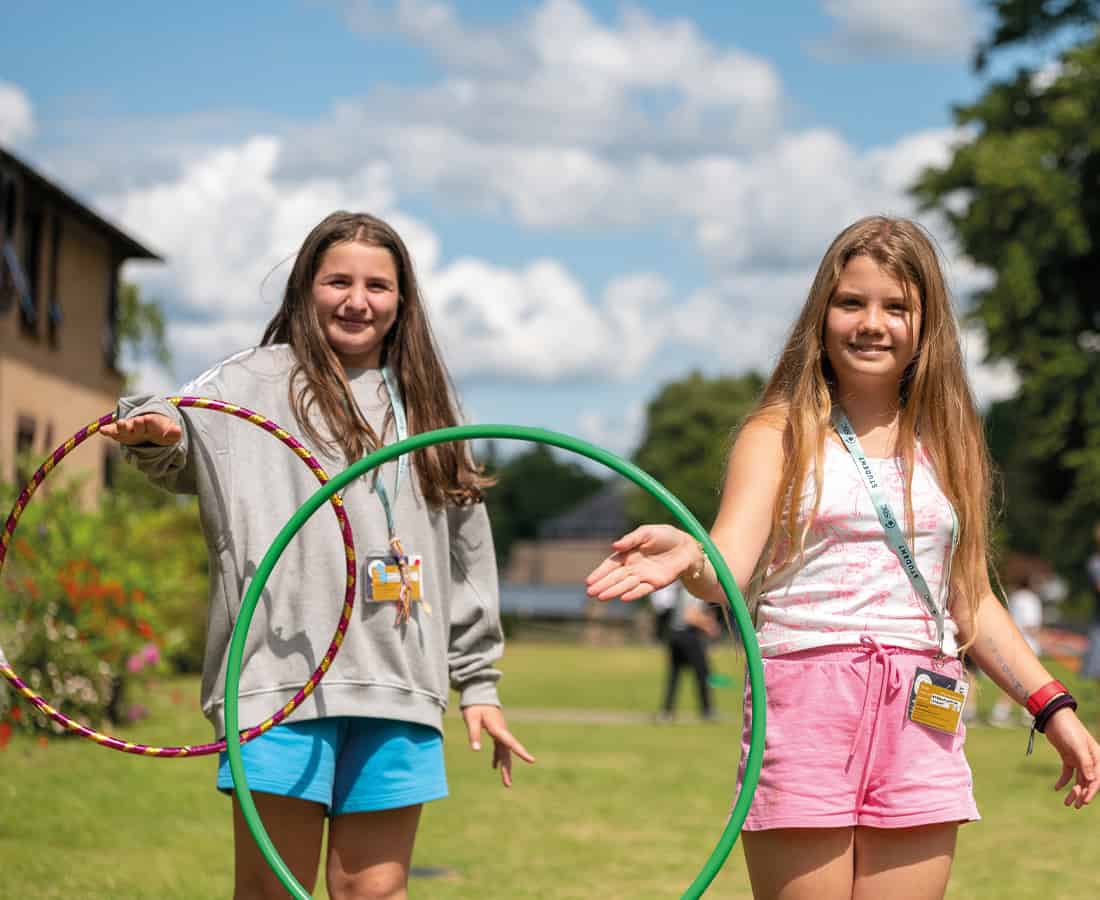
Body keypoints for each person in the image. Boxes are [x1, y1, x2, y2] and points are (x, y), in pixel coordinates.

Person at [586, 216, 1099, 900]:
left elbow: (971, 600)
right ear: (821, 315)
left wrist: (1052, 706)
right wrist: (688, 556)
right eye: (851, 302)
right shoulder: (778, 432)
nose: (871, 323)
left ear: (927, 323)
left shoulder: (952, 442)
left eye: (896, 307)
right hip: (805, 699)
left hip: (925, 704)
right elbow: (726, 571)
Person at [102, 211, 534, 900]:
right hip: (278, 684)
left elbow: (465, 551)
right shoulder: (251, 385)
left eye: (377, 285)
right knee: (274, 891)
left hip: (398, 686)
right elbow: (174, 427)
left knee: (373, 892)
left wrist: (478, 680)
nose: (357, 300)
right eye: (338, 280)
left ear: (402, 301)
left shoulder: (427, 405)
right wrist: (158, 429)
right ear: (307, 287)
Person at [651, 582, 720, 722]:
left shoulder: (684, 588)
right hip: (687, 636)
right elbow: (689, 616)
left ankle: (667, 711)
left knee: (675, 675)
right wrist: (709, 625)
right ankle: (707, 711)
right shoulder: (692, 590)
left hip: (675, 635)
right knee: (702, 672)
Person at [990, 572, 1043, 727]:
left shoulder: (1014, 597)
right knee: (1022, 680)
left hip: (1012, 641)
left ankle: (1025, 713)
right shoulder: (1030, 599)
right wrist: (1042, 637)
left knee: (1017, 679)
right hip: (1028, 644)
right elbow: (1030, 624)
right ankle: (1001, 712)